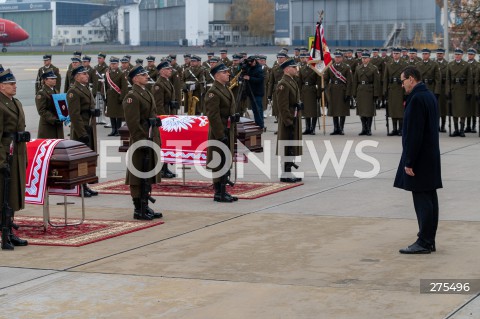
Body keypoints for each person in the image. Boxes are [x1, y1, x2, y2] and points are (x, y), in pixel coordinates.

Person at [394, 66, 442, 254]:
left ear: (411, 79)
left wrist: (409, 161)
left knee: (422, 199)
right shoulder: (428, 95)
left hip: (420, 158)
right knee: (430, 198)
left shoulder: (416, 99)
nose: (402, 84)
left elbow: (414, 134)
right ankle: (429, 239)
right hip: (430, 155)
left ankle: (423, 242)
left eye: (403, 80)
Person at [123, 66, 163, 220]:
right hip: (141, 140)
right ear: (134, 78)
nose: (147, 76)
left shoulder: (146, 92)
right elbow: (133, 123)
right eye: (143, 75)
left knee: (147, 173)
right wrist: (142, 141)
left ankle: (145, 205)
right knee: (137, 174)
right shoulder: (132, 96)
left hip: (150, 137)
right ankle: (138, 208)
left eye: (146, 74)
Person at [0, 68, 29, 250]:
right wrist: (1, 161)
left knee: (13, 196)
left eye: (14, 83)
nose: (14, 86)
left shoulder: (15, 102)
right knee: (4, 196)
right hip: (5, 155)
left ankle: (10, 230)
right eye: (10, 84)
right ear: (1, 86)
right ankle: (5, 234)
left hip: (17, 153)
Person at [205, 63, 238, 203]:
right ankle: (219, 191)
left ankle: (223, 190)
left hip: (227, 129)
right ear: (217, 75)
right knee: (219, 160)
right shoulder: (213, 92)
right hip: (219, 132)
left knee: (225, 160)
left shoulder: (225, 89)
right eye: (225, 72)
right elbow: (213, 115)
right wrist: (220, 134)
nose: (228, 74)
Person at [66, 65, 99, 198]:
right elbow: (74, 115)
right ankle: (80, 187)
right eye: (84, 74)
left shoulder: (85, 88)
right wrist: (82, 133)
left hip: (88, 127)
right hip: (81, 129)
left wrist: (92, 111)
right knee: (80, 160)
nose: (87, 75)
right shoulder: (73, 91)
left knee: (86, 159)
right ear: (77, 77)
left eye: (86, 73)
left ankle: (85, 184)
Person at [276, 59, 302, 183]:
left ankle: (289, 170)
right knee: (286, 145)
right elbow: (282, 106)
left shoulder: (292, 81)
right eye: (293, 67)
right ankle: (285, 172)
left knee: (292, 145)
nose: (296, 69)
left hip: (294, 118)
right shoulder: (283, 84)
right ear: (286, 69)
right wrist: (288, 121)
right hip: (288, 120)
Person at [152, 61, 177, 179]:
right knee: (163, 143)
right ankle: (162, 169)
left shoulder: (167, 82)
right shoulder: (158, 85)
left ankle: (165, 168)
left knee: (167, 144)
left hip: (169, 115)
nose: (170, 70)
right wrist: (164, 118)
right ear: (162, 71)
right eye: (168, 69)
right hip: (164, 117)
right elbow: (158, 104)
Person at [446, 48, 473, 137]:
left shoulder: (466, 65)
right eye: (456, 54)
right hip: (454, 90)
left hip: (462, 90)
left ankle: (462, 129)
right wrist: (448, 91)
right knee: (454, 111)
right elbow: (448, 79)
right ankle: (456, 129)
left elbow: (469, 79)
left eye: (459, 54)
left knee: (462, 111)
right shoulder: (450, 65)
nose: (457, 56)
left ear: (462, 55)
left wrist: (469, 92)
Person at [324, 51, 353, 135]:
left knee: (342, 111)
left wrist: (348, 93)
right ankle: (335, 128)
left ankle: (341, 128)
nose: (337, 58)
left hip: (342, 90)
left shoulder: (346, 67)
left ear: (342, 58)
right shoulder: (331, 67)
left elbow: (349, 82)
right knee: (334, 110)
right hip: (333, 91)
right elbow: (325, 79)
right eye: (336, 57)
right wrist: (327, 88)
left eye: (339, 57)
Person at [353, 51, 381, 136]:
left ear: (369, 58)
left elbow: (377, 82)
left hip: (369, 91)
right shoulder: (358, 68)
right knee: (361, 111)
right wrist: (354, 93)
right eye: (363, 58)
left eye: (365, 58)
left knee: (369, 112)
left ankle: (369, 129)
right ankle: (363, 129)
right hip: (360, 90)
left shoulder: (373, 68)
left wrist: (376, 94)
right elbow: (355, 81)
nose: (364, 60)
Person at [383, 47, 408, 136]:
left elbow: (407, 78)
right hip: (392, 89)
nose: (395, 55)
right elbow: (385, 78)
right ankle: (394, 129)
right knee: (393, 109)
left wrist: (406, 92)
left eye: (397, 53)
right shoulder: (389, 64)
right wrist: (385, 90)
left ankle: (400, 129)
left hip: (400, 89)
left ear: (400, 54)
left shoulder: (404, 64)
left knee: (400, 110)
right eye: (394, 53)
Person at [35, 69, 64, 139]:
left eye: (55, 78)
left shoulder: (55, 91)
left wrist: (64, 114)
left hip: (57, 125)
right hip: (48, 126)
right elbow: (42, 110)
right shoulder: (42, 93)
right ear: (45, 80)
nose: (54, 80)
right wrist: (54, 119)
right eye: (52, 78)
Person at [298, 53, 322, 135]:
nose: (308, 59)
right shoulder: (302, 69)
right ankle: (307, 128)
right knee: (306, 110)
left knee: (313, 111)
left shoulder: (316, 69)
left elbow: (319, 82)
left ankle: (313, 128)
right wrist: (300, 93)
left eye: (310, 58)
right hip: (305, 90)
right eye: (307, 58)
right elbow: (300, 82)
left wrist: (319, 93)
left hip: (313, 90)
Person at [105, 56, 128, 136]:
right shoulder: (108, 73)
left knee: (118, 115)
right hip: (110, 97)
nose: (113, 65)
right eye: (112, 63)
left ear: (118, 64)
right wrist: (105, 96)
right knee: (111, 114)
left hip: (118, 96)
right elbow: (105, 86)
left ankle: (118, 130)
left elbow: (124, 87)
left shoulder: (121, 74)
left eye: (114, 64)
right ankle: (113, 129)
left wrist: (121, 97)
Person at [243, 55, 265, 130]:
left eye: (251, 62)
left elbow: (260, 80)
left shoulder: (259, 69)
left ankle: (260, 124)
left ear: (255, 61)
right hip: (251, 92)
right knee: (254, 109)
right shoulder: (249, 67)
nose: (250, 64)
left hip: (257, 92)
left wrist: (250, 78)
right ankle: (257, 123)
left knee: (258, 109)